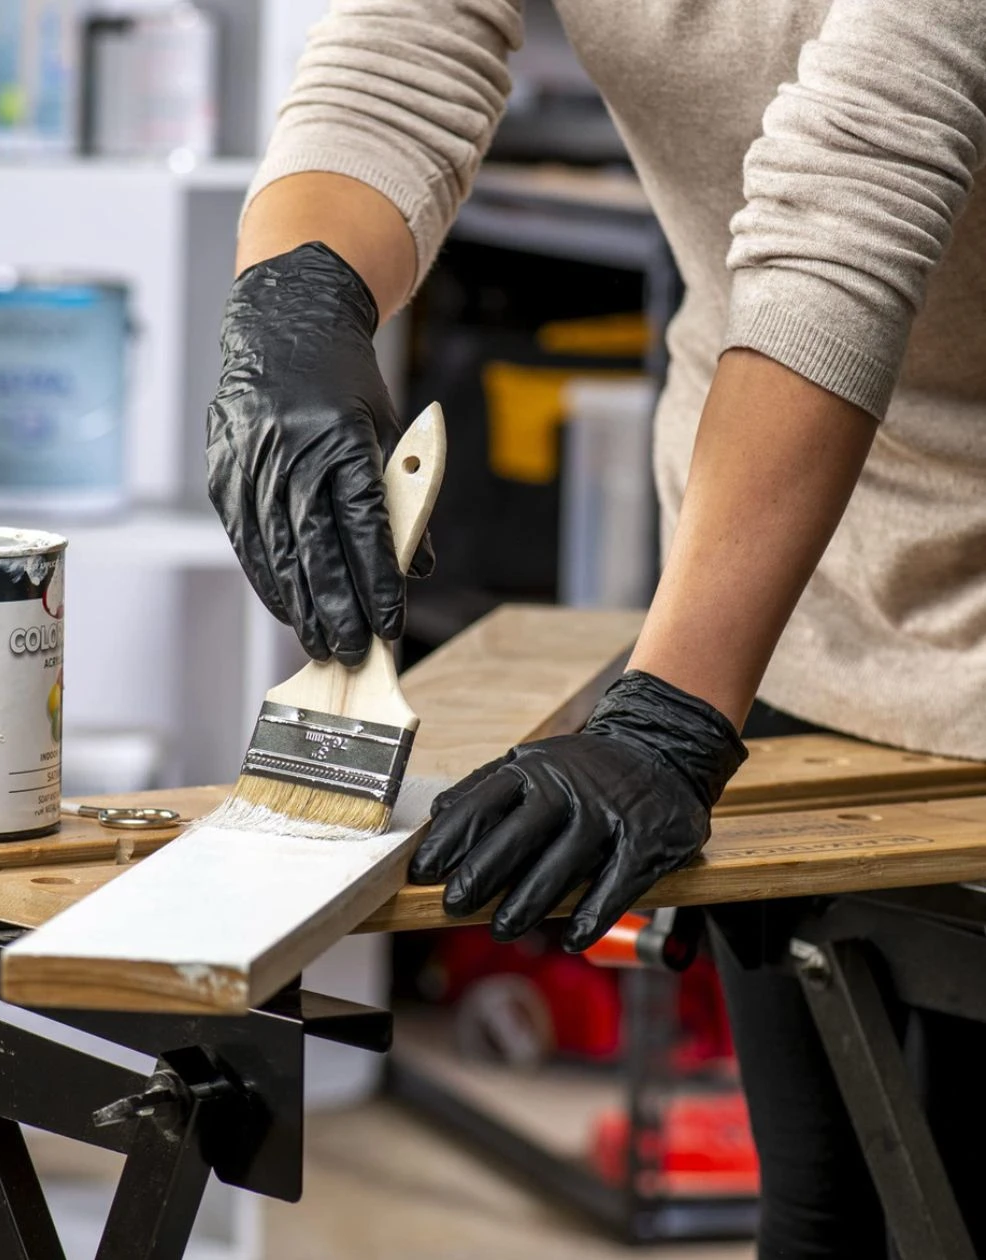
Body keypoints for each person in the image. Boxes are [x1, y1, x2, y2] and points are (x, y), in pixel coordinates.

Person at [204, 2, 986, 1254]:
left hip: (831, 580)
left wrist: (673, 707)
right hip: (788, 566)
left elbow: (857, 201)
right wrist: (297, 299)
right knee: (828, 1204)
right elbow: (410, 37)